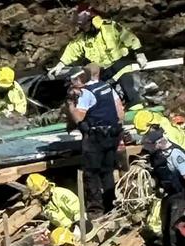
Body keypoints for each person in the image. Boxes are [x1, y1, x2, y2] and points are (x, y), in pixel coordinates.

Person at [48, 4, 147, 109]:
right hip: (102, 72)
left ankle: (136, 106)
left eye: (84, 25)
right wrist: (61, 64)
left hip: (121, 65)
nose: (83, 29)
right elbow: (73, 49)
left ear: (93, 21)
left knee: (127, 86)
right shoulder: (83, 39)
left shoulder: (111, 28)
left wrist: (139, 53)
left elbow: (130, 38)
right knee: (99, 93)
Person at [68, 64, 125, 218]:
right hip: (112, 135)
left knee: (91, 173)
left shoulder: (87, 93)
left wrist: (71, 104)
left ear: (81, 77)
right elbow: (120, 113)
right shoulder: (107, 87)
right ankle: (110, 204)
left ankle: (95, 209)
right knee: (107, 172)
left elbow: (79, 117)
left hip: (96, 137)